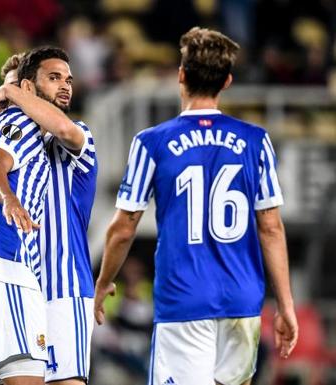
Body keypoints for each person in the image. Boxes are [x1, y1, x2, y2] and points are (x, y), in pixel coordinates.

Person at [94, 27, 298, 385]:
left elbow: (124, 227)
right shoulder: (257, 141)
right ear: (228, 81)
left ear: (181, 75)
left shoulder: (151, 142)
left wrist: (103, 282)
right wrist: (285, 305)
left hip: (184, 299)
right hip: (243, 302)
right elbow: (271, 227)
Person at [0, 46, 98, 385]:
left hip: (62, 286)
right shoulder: (11, 137)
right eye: (8, 93)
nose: (10, 103)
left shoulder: (75, 135)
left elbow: (64, 130)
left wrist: (6, 92)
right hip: (17, 274)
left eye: (16, 92)